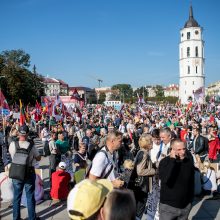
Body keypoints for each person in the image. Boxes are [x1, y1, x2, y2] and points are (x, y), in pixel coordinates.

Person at [9, 125, 41, 220]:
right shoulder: (31, 146)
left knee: (16, 197)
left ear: (18, 133)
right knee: (30, 197)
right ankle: (32, 218)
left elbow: (12, 156)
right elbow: (38, 158)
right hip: (28, 173)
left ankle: (16, 218)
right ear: (27, 134)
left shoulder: (13, 144)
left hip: (16, 173)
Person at [159, 139, 194, 220]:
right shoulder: (165, 162)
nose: (183, 152)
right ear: (172, 150)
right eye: (179, 150)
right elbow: (165, 179)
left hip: (185, 206)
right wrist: (172, 160)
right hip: (168, 207)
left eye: (184, 149)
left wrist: (190, 200)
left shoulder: (188, 161)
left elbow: (191, 181)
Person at [129, 133, 156, 219]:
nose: (153, 143)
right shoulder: (144, 154)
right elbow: (140, 171)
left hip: (139, 186)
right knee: (139, 209)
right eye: (151, 141)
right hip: (142, 186)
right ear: (148, 143)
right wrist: (154, 171)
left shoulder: (140, 152)